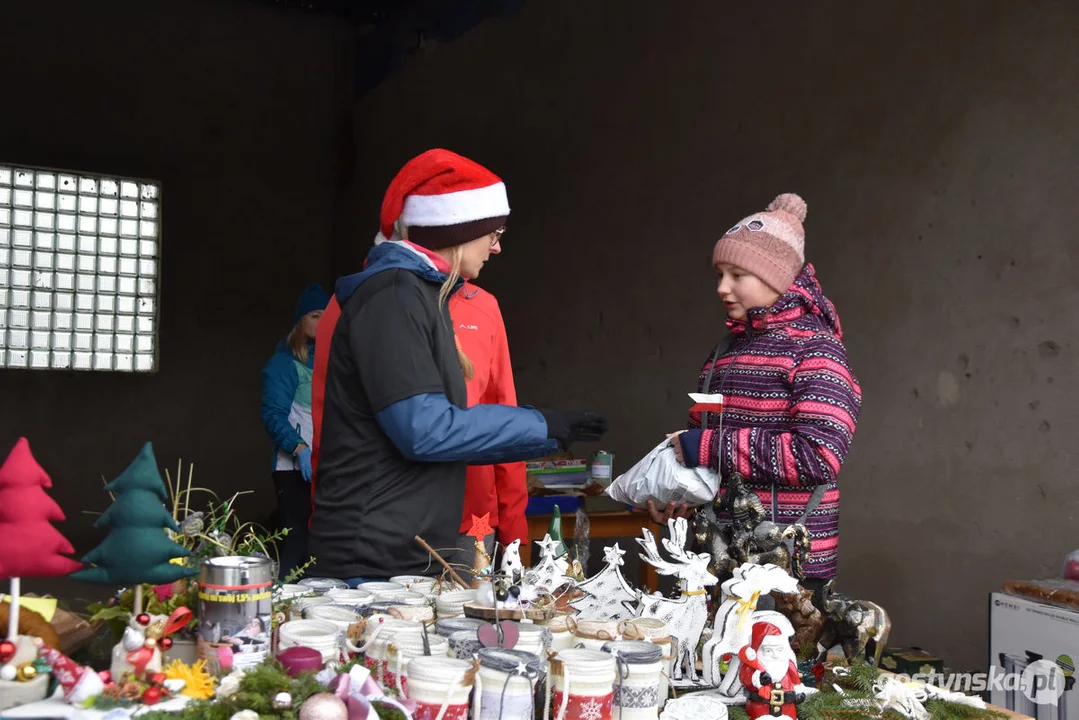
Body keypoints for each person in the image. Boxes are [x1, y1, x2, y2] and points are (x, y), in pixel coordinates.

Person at [309, 149, 607, 584]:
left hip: (404, 550)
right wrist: (540, 426)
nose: (498, 246)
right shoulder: (393, 297)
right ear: (457, 231)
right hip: (374, 559)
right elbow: (424, 429)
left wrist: (541, 433)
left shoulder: (415, 296)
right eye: (494, 232)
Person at [662, 194, 861, 584]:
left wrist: (704, 446)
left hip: (786, 568)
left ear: (776, 277)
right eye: (719, 274)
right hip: (718, 558)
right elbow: (702, 442)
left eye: (738, 275)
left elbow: (818, 457)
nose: (722, 287)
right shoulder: (723, 352)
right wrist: (677, 496)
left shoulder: (817, 351)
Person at [449, 281, 528, 579]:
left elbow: (504, 418)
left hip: (474, 518)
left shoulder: (482, 305)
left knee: (473, 616)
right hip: (393, 519)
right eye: (491, 234)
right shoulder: (372, 298)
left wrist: (513, 530)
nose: (494, 247)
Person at [260, 284, 329, 580]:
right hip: (293, 466)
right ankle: (283, 601)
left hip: (325, 465)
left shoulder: (332, 363)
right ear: (301, 320)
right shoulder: (284, 363)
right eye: (315, 315)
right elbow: (273, 415)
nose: (322, 321)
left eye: (327, 315)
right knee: (296, 538)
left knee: (323, 542)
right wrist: (298, 448)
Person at [738, 621, 814, 720]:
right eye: (769, 650)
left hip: (787, 706)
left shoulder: (787, 664)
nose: (775, 655)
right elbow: (745, 678)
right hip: (760, 706)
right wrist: (757, 678)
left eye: (779, 650)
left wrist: (798, 692)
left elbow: (795, 680)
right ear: (758, 651)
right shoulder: (754, 667)